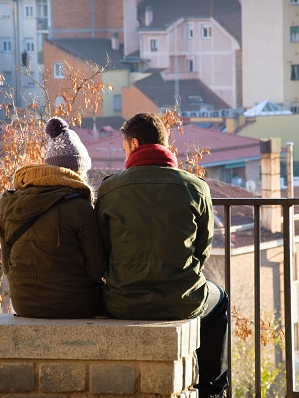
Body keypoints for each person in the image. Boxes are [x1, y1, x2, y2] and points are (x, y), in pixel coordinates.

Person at [95, 112, 229, 397]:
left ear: (133, 144)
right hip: (182, 301)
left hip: (122, 302)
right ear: (165, 144)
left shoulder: (109, 189)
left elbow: (101, 253)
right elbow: (203, 251)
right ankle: (211, 391)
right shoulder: (196, 187)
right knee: (221, 302)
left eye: (123, 150)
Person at [0, 116, 105, 319]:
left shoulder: (11, 203)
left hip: (24, 304)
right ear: (77, 171)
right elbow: (96, 269)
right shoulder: (79, 207)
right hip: (74, 303)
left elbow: (7, 265)